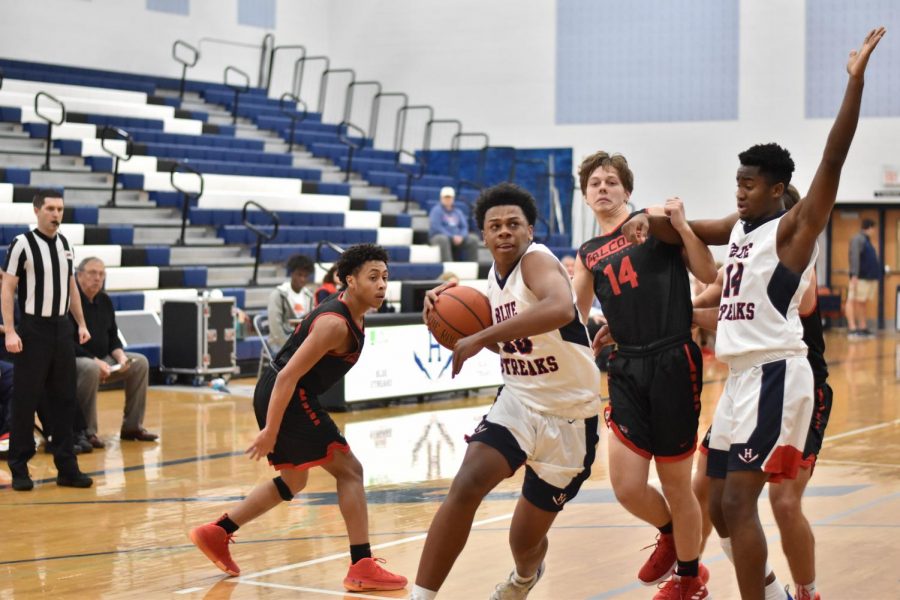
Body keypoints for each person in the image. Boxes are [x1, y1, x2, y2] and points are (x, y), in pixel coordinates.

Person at [623, 27, 884, 600]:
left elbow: (834, 156)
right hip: (740, 378)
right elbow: (677, 231)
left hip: (777, 374)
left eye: (748, 184)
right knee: (712, 503)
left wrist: (855, 83)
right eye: (736, 182)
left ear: (776, 189)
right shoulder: (741, 228)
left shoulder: (795, 229)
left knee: (743, 502)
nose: (738, 191)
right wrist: (636, 215)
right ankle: (764, 587)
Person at [411, 183, 602, 600]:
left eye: (513, 224)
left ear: (530, 231)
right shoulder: (492, 283)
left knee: (525, 542)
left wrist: (482, 336)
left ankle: (523, 578)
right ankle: (421, 596)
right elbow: (511, 343)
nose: (504, 231)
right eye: (494, 225)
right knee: (466, 484)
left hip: (570, 415)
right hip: (519, 400)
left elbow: (560, 308)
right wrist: (445, 317)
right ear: (482, 235)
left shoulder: (537, 262)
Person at [188, 243, 407, 593]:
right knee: (351, 470)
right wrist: (271, 431)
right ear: (349, 280)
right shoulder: (335, 325)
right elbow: (288, 376)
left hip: (282, 391)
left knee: (294, 482)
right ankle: (362, 565)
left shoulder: (354, 311)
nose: (382, 284)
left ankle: (217, 532)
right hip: (288, 394)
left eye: (385, 277)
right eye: (373, 277)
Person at [573, 152, 716, 600]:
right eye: (594, 183)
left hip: (674, 358)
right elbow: (574, 316)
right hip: (626, 365)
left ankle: (690, 577)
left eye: (611, 181)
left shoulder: (653, 222)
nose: (602, 188)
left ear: (627, 191)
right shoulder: (587, 254)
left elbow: (707, 272)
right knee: (627, 485)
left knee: (676, 483)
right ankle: (672, 535)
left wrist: (684, 226)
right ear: (584, 196)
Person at [691, 187, 832, 600]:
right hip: (746, 380)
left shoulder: (798, 258)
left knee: (783, 501)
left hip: (794, 384)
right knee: (707, 490)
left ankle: (807, 591)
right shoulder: (744, 250)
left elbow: (742, 310)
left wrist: (691, 314)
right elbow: (715, 299)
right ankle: (743, 585)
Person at [2, 188, 94, 491]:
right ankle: (19, 467)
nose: (56, 214)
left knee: (65, 400)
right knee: (25, 400)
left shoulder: (66, 245)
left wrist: (80, 323)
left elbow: (70, 288)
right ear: (37, 211)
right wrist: (11, 330)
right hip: (33, 330)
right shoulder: (22, 245)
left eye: (60, 209)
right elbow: (8, 289)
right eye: (50, 209)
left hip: (61, 330)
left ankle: (67, 467)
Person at [73, 256, 156, 448]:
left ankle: (132, 427)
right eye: (93, 273)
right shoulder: (70, 301)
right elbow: (67, 342)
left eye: (101, 274)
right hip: (77, 361)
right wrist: (94, 361)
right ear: (79, 276)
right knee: (90, 368)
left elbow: (113, 337)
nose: (98, 278)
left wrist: (120, 356)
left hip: (105, 359)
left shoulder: (104, 300)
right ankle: (87, 432)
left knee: (139, 363)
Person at [267, 254, 315, 352]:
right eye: (299, 274)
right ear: (291, 273)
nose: (303, 279)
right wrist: (289, 347)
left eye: (306, 276)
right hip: (281, 343)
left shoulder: (309, 295)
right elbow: (275, 328)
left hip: (302, 343)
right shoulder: (278, 294)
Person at [845, 218, 880, 337]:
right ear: (869, 228)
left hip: (866, 277)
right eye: (873, 228)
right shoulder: (858, 239)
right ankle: (852, 327)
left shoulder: (866, 240)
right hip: (858, 277)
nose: (874, 231)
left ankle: (862, 326)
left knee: (862, 303)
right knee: (852, 300)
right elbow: (854, 256)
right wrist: (854, 274)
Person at [428, 186, 480, 262]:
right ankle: (449, 266)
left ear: (453, 198)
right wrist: (452, 236)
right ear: (441, 198)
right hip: (438, 237)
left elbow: (464, 227)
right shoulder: (436, 211)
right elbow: (437, 227)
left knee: (473, 239)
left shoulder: (458, 212)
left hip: (457, 238)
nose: (448, 200)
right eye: (446, 197)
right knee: (443, 239)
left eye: (450, 197)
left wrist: (461, 236)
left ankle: (473, 266)